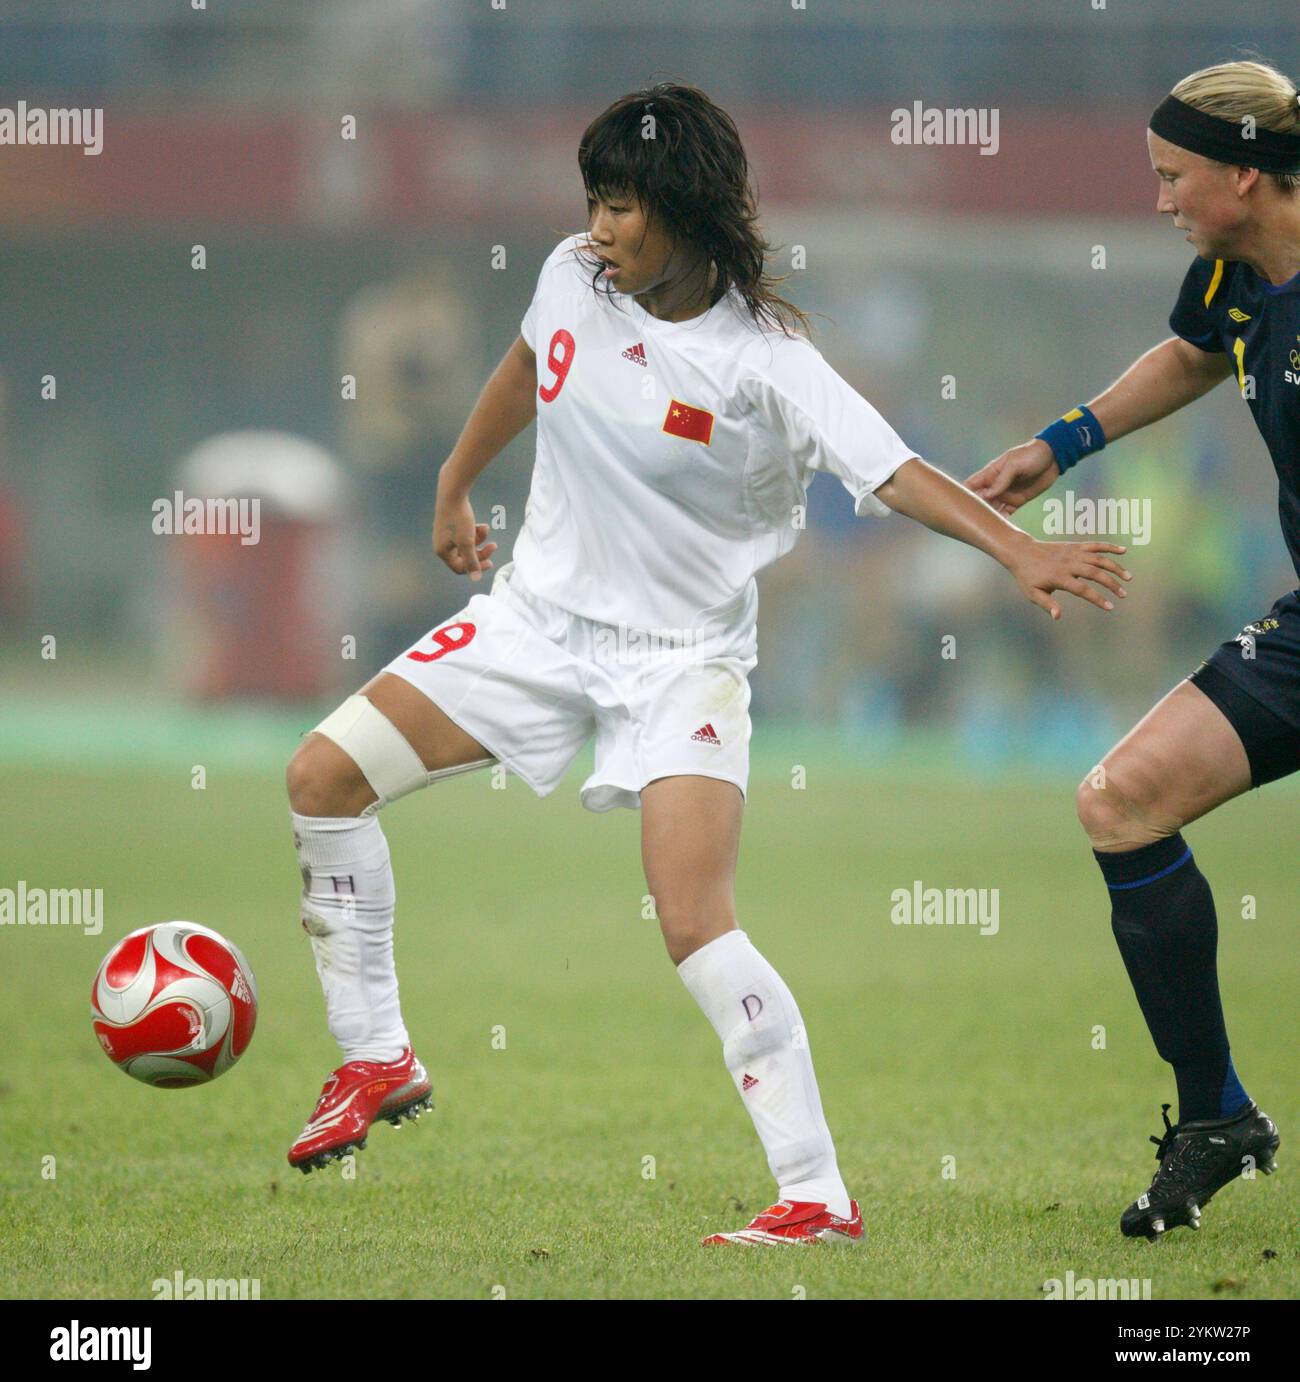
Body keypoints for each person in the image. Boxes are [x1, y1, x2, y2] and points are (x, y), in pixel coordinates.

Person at [285, 82, 1127, 1246]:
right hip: (534, 621)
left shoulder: (766, 362)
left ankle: (816, 1194)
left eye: (623, 205)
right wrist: (452, 480)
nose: (601, 226)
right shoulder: (571, 273)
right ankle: (377, 1058)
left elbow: (893, 472)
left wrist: (1015, 550)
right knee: (322, 778)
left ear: (683, 211)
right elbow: (531, 363)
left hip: (684, 661)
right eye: (593, 200)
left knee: (693, 920)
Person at [968, 60, 1296, 1242]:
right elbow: (1197, 351)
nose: (1158, 200)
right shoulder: (1236, 271)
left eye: (1173, 176)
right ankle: (1215, 1117)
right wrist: (1063, 442)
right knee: (1121, 800)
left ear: (1244, 173)